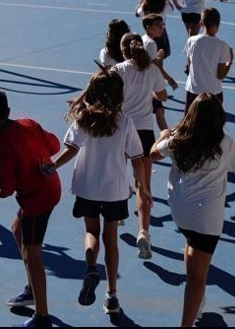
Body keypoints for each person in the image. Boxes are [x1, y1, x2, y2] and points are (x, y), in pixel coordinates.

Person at [52, 69, 149, 315]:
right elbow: (138, 157)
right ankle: (112, 294)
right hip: (115, 190)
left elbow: (71, 150)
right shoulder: (125, 122)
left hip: (87, 188)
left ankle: (91, 268)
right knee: (111, 238)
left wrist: (50, 165)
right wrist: (143, 186)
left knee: (91, 231)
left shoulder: (83, 119)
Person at [150, 93, 235, 327]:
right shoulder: (225, 143)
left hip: (180, 210)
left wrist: (163, 134)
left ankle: (199, 302)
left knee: (190, 243)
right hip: (207, 218)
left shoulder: (179, 139)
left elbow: (154, 153)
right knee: (198, 277)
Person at [0, 89, 62, 329]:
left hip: (36, 199)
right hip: (51, 187)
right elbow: (55, 145)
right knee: (17, 230)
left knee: (32, 253)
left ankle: (43, 316)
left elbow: (6, 189)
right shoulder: (28, 123)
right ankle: (31, 288)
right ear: (8, 111)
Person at [112, 32, 168, 261]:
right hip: (144, 131)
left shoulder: (119, 70)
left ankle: (116, 217)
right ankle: (143, 231)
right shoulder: (151, 70)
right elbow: (162, 95)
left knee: (116, 175)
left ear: (123, 51)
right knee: (143, 184)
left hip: (121, 129)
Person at [183, 7, 233, 111]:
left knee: (190, 124)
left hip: (194, 91)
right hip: (213, 92)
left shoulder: (191, 41)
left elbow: (189, 66)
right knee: (213, 125)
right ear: (218, 24)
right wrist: (230, 62)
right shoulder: (222, 46)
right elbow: (221, 75)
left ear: (201, 23)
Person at [140, 13, 178, 131]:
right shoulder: (151, 43)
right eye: (158, 25)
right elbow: (156, 67)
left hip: (144, 82)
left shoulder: (144, 40)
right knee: (159, 111)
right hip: (148, 84)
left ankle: (166, 135)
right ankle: (167, 138)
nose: (162, 28)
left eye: (162, 25)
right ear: (148, 27)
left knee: (159, 111)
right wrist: (170, 80)